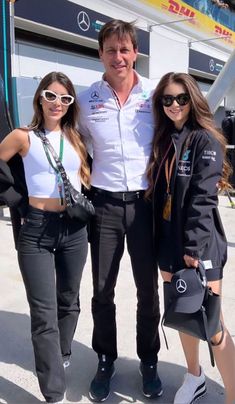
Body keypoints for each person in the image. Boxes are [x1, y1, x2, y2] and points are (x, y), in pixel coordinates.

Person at [78, 19, 162, 402]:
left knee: (148, 290)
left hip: (144, 206)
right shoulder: (86, 99)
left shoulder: (155, 98)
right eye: (111, 50)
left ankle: (149, 361)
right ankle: (105, 359)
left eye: (124, 49)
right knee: (102, 290)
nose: (118, 57)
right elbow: (72, 143)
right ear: (100, 54)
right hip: (105, 204)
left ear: (135, 54)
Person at [0, 71, 90, 404]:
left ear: (70, 105)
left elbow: (87, 174)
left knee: (69, 300)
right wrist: (17, 201)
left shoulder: (77, 137)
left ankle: (61, 351)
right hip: (36, 230)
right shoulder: (24, 136)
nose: (57, 103)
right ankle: (53, 392)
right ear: (40, 97)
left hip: (74, 230)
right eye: (51, 96)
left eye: (65, 98)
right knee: (43, 311)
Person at [146, 72, 235, 404]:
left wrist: (193, 249)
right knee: (183, 313)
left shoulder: (205, 139)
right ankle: (194, 376)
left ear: (193, 99)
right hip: (169, 243)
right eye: (167, 99)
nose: (174, 105)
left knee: (213, 325)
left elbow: (202, 198)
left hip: (199, 247)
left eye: (181, 98)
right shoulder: (166, 139)